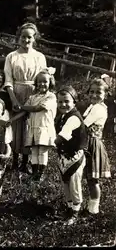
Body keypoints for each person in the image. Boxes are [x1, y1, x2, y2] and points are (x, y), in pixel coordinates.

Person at [3, 23, 47, 173]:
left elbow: (43, 79)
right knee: (16, 126)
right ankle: (14, 161)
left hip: (33, 93)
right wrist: (14, 99)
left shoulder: (40, 57)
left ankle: (25, 162)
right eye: (23, 36)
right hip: (16, 92)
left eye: (29, 37)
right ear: (19, 37)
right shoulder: (12, 56)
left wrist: (38, 98)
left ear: (34, 38)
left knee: (29, 127)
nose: (26, 40)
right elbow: (8, 80)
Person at [6, 68, 57, 182]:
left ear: (50, 83)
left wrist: (20, 106)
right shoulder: (32, 97)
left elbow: (37, 108)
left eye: (45, 82)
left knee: (42, 151)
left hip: (44, 127)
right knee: (34, 151)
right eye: (39, 81)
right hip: (33, 128)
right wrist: (12, 120)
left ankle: (41, 173)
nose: (42, 84)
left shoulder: (51, 96)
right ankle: (34, 173)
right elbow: (25, 112)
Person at [54, 86, 88, 225]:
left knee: (74, 183)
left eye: (66, 101)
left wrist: (49, 144)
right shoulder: (62, 116)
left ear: (74, 102)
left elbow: (64, 134)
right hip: (64, 155)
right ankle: (69, 208)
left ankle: (76, 211)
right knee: (65, 182)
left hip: (74, 156)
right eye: (60, 101)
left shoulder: (73, 118)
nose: (63, 105)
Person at [83, 78, 111, 216]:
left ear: (105, 94)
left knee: (93, 179)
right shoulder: (92, 106)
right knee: (89, 178)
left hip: (92, 143)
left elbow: (84, 125)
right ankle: (88, 205)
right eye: (92, 92)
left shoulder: (99, 108)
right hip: (87, 142)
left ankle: (94, 208)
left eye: (98, 92)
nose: (94, 95)